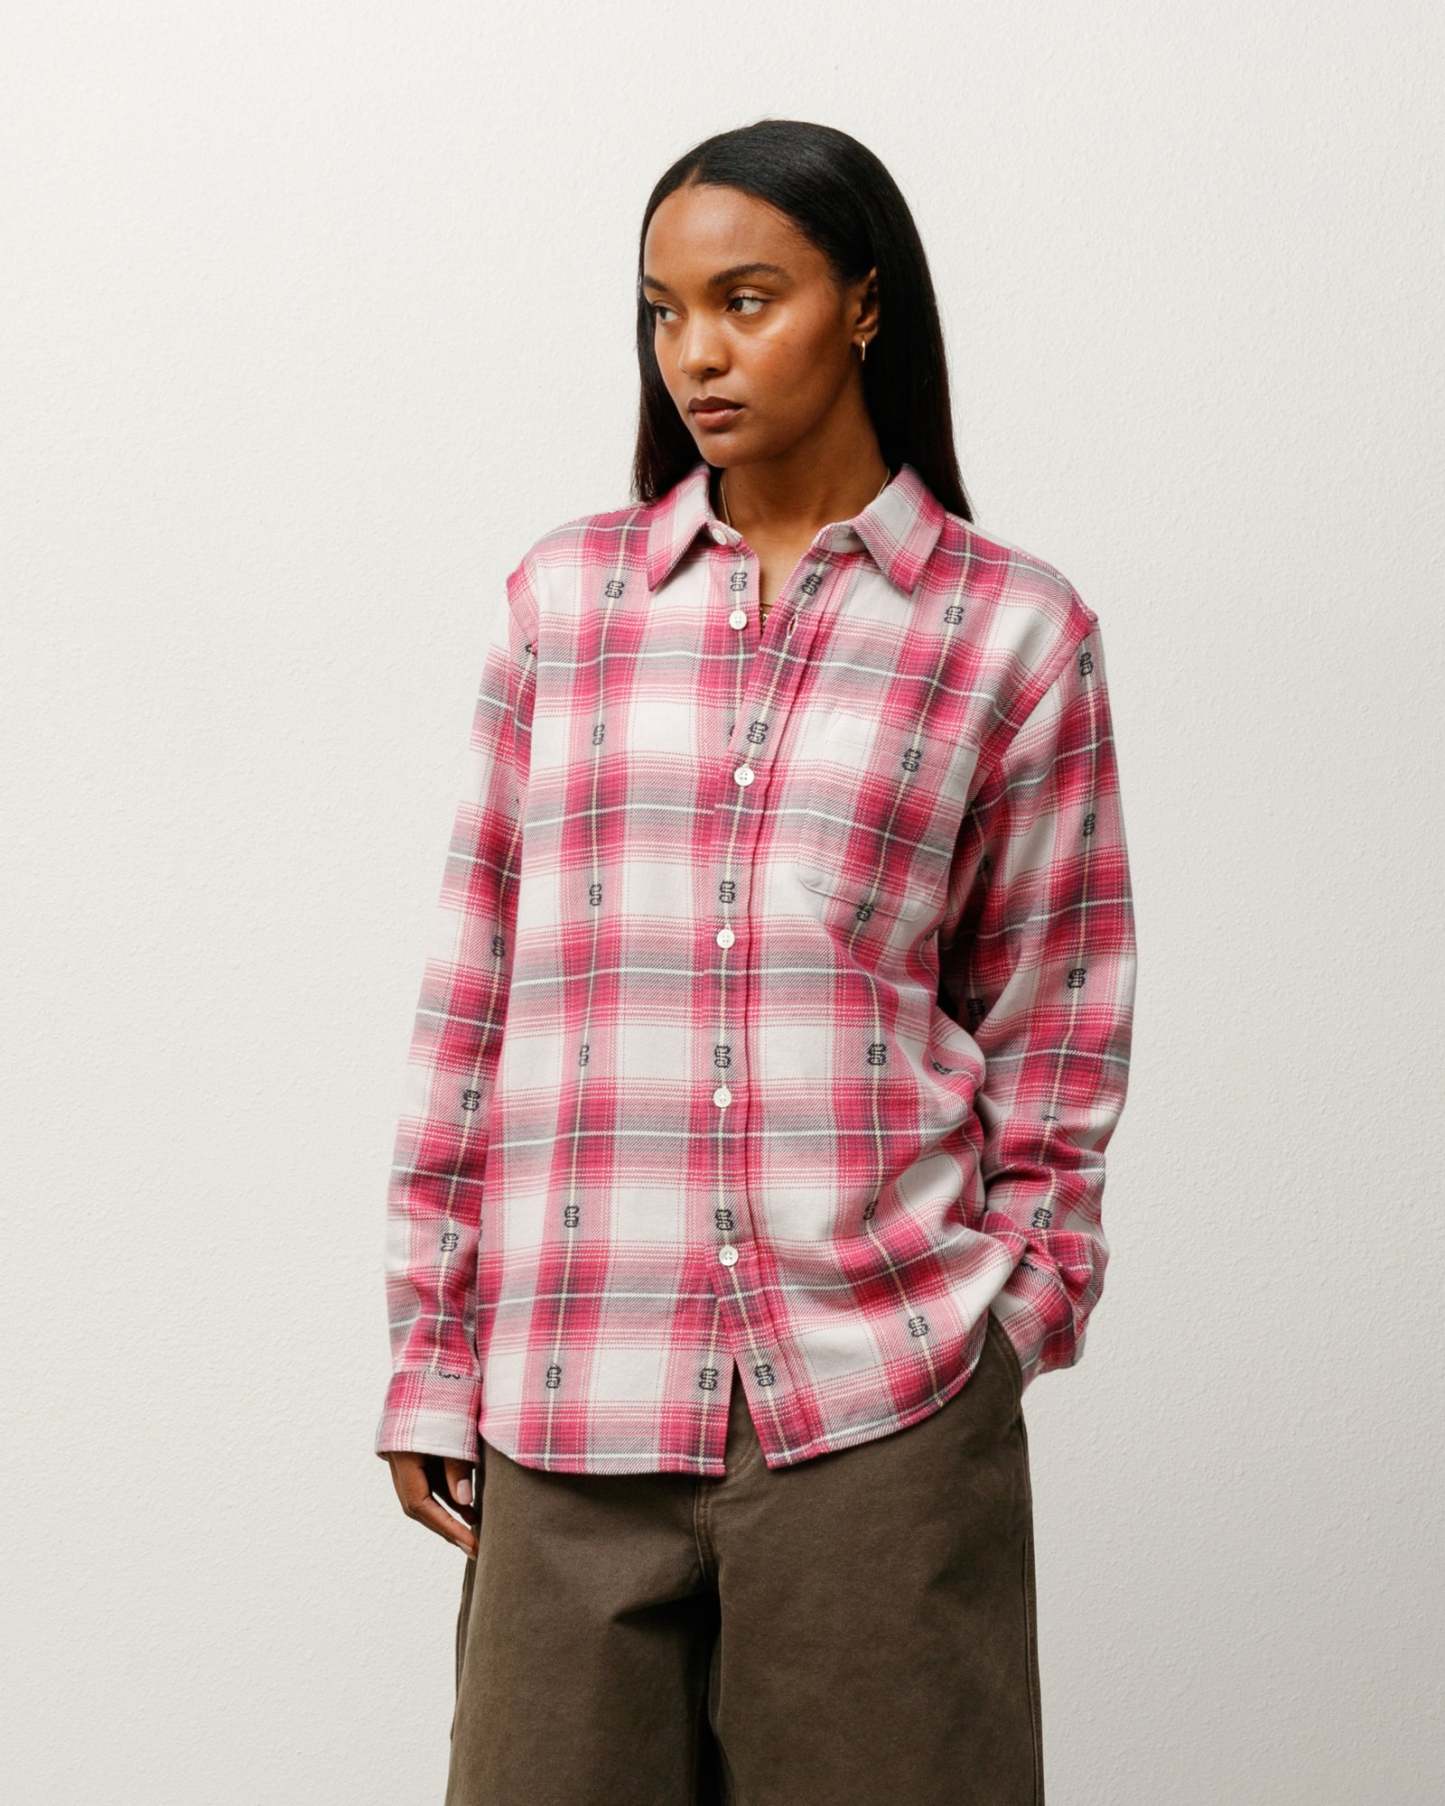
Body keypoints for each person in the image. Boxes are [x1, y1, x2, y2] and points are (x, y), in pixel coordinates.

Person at [375, 117, 1137, 1806]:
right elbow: (472, 998)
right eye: (663, 312)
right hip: (568, 1402)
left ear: (862, 304)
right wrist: (433, 1345)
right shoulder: (565, 606)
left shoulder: (1012, 633)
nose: (696, 354)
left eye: (744, 299)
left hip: (881, 1410)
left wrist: (1011, 1319)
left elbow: (1059, 1025)